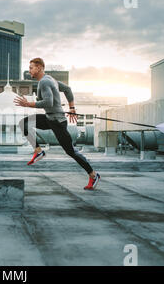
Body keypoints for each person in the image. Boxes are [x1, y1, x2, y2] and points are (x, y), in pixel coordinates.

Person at [14, 58, 100, 190]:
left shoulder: (44, 82)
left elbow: (48, 102)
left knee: (71, 151)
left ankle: (93, 175)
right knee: (24, 123)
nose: (29, 70)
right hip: (50, 118)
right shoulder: (51, 79)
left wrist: (28, 104)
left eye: (31, 67)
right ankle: (38, 151)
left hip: (58, 122)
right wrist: (71, 108)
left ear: (39, 68)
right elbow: (67, 89)